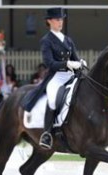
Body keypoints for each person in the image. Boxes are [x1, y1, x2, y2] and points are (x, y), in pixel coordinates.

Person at [38, 7, 86, 149]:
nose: (60, 22)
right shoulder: (46, 40)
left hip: (71, 76)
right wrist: (67, 63)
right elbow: (49, 63)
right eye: (57, 20)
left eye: (61, 20)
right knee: (53, 99)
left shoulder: (68, 40)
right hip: (56, 77)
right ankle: (46, 134)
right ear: (49, 21)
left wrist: (80, 63)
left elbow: (75, 58)